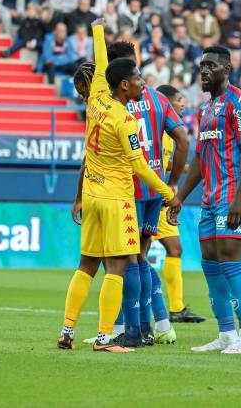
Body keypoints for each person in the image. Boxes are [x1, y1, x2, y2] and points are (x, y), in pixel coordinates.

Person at [58, 18, 179, 352]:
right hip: (116, 199)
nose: (142, 82)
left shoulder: (96, 98)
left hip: (92, 195)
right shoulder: (124, 120)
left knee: (86, 265)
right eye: (137, 78)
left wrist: (98, 29)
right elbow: (139, 165)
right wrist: (169, 193)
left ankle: (67, 331)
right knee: (117, 266)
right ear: (124, 85)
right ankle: (103, 338)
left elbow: (100, 59)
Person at [97, 40, 190, 348]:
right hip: (155, 190)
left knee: (126, 262)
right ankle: (160, 325)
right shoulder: (156, 98)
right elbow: (182, 139)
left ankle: (135, 329)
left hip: (127, 190)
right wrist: (172, 183)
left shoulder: (113, 102)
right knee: (142, 257)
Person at [169, 46, 241, 354]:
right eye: (201, 66)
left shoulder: (239, 103)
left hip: (235, 195)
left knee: (229, 258)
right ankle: (226, 333)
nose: (204, 71)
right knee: (209, 262)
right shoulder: (205, 109)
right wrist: (179, 195)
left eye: (210, 65)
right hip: (210, 198)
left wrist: (239, 198)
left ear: (226, 69)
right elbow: (199, 158)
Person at [153, 84, 206, 324]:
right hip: (148, 198)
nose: (184, 103)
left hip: (162, 198)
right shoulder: (156, 128)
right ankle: (134, 312)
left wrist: (184, 170)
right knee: (133, 256)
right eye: (180, 98)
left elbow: (162, 162)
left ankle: (176, 308)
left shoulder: (169, 132)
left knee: (175, 248)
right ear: (166, 102)